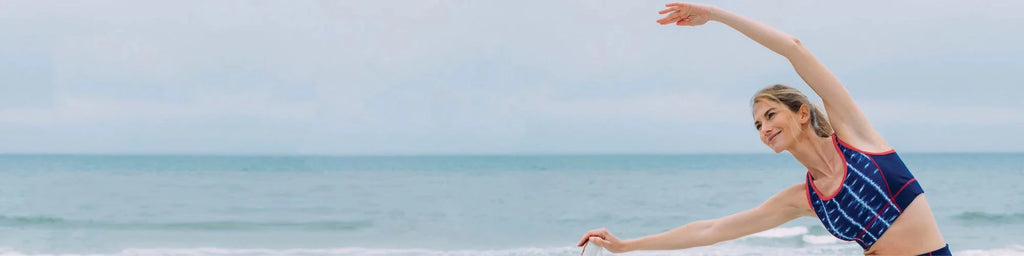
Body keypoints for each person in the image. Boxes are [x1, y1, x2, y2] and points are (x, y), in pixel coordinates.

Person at [577, 3, 950, 255]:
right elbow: (712, 230)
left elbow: (795, 49)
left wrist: (714, 14)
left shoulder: (856, 139)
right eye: (757, 124)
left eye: (771, 115)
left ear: (802, 112)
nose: (764, 128)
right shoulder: (804, 198)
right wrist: (627, 247)